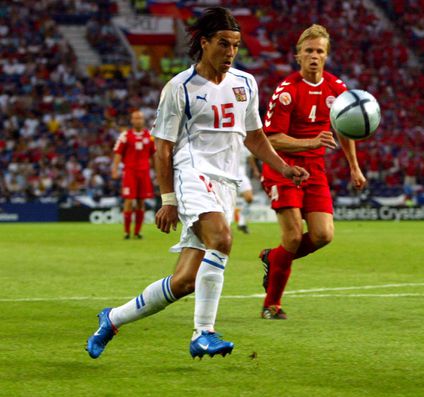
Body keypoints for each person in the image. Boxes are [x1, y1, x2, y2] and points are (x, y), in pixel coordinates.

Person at [85, 7, 309, 359]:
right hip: (191, 172)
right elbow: (163, 147)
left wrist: (283, 167)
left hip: (225, 181)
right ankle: (203, 333)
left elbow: (254, 137)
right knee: (222, 237)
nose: (231, 52)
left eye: (235, 45)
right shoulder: (179, 87)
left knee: (185, 281)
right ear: (204, 43)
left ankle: (112, 319)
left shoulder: (245, 83)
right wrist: (168, 199)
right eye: (223, 44)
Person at [258, 24, 366, 319]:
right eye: (308, 51)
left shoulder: (337, 89)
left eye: (319, 51)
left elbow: (345, 130)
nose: (314, 56)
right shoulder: (286, 91)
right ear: (298, 56)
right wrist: (310, 141)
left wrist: (354, 167)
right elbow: (272, 138)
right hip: (283, 167)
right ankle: (272, 305)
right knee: (293, 237)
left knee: (323, 235)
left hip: (315, 170)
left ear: (326, 55)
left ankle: (273, 257)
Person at [111, 110, 155, 239]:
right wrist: (115, 169)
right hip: (130, 172)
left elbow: (153, 155)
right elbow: (118, 153)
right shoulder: (125, 135)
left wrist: (157, 172)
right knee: (129, 201)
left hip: (144, 173)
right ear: (132, 120)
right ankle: (126, 232)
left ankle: (137, 232)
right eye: (135, 118)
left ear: (143, 120)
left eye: (140, 118)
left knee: (141, 202)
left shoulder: (149, 136)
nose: (138, 120)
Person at [233, 135, 258, 234]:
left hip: (241, 175)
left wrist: (255, 170)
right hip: (227, 173)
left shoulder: (245, 144)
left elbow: (250, 157)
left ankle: (242, 223)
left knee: (249, 198)